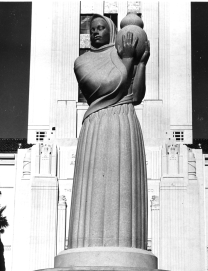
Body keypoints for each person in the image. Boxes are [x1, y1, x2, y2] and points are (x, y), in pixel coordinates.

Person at [68, 14, 150, 249]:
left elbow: (136, 95)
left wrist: (141, 63)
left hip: (124, 122)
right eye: (92, 28)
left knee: (124, 188)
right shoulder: (82, 62)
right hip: (97, 123)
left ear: (112, 31)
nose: (95, 32)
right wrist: (127, 60)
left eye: (101, 28)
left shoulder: (122, 53)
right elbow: (111, 87)